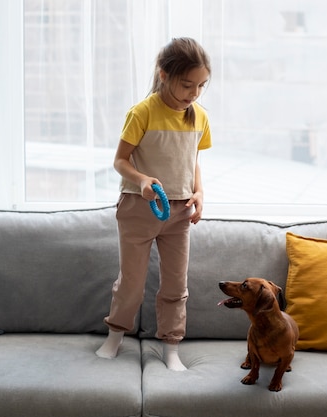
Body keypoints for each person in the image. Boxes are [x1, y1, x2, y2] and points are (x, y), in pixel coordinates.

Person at [96, 37, 212, 371]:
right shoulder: (142, 112)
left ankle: (171, 346)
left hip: (179, 212)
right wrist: (143, 180)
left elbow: (193, 162)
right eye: (187, 84)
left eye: (201, 85)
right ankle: (115, 335)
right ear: (164, 74)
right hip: (138, 207)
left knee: (176, 284)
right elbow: (120, 161)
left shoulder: (199, 117)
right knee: (131, 282)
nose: (194, 93)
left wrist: (200, 194)